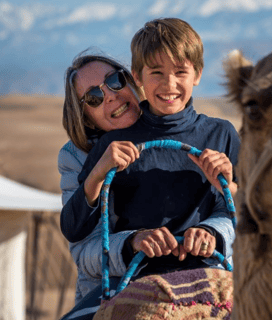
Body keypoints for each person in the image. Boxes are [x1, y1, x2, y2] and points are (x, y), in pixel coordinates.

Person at [59, 19, 239, 319]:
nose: (169, 85)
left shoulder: (221, 135)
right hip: (132, 278)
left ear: (198, 74)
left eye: (180, 72)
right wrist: (100, 175)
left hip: (208, 271)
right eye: (157, 73)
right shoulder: (112, 146)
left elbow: (250, 214)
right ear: (140, 76)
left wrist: (222, 201)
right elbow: (76, 231)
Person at [58, 48, 145, 304]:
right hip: (106, 294)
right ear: (87, 117)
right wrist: (132, 244)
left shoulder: (177, 129)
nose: (110, 96)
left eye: (114, 80)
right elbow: (84, 251)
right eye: (93, 97)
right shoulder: (76, 157)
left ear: (131, 79)